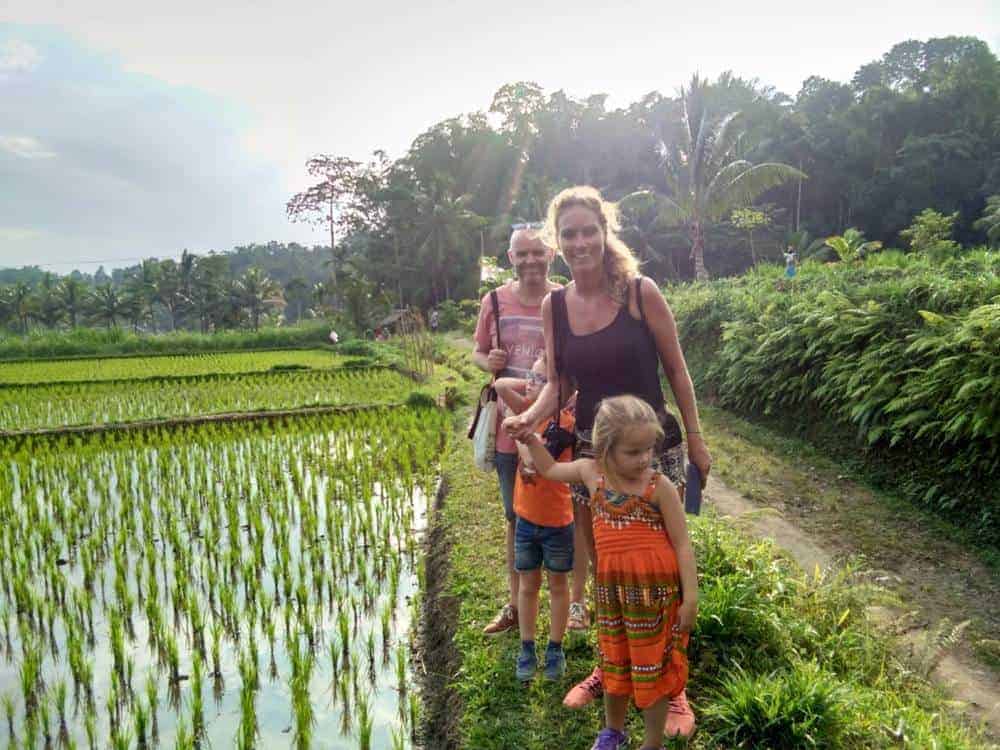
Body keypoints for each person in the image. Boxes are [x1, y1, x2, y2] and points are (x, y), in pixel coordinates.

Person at [504, 185, 710, 734]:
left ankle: (673, 684)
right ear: (557, 242)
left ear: (604, 231)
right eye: (567, 234)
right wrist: (533, 421)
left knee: (660, 568)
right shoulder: (555, 305)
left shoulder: (640, 293)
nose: (578, 242)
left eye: (587, 230)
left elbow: (678, 371)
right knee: (604, 568)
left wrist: (694, 439)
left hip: (652, 454)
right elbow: (560, 383)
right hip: (594, 454)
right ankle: (608, 666)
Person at [518, 395, 697, 749]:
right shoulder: (590, 473)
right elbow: (551, 470)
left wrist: (690, 597)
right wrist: (530, 439)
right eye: (633, 451)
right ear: (604, 448)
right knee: (614, 663)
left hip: (654, 599)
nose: (645, 458)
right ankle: (613, 732)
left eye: (649, 449)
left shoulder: (658, 487)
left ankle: (651, 742)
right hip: (613, 596)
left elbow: (682, 544)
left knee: (653, 669)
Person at [473, 224, 562, 636]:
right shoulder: (494, 301)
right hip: (511, 432)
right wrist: (486, 362)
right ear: (510, 258)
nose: (530, 260)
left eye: (537, 252)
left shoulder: (565, 299)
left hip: (560, 428)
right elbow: (476, 353)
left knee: (567, 513)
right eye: (521, 254)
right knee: (516, 517)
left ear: (551, 254)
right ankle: (515, 605)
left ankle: (570, 605)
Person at [495, 352, 575, 681]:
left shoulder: (565, 426)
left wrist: (528, 447)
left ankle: (554, 648)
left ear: (561, 390)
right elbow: (500, 383)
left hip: (558, 522)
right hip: (526, 520)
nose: (532, 383)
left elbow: (543, 463)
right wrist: (533, 383)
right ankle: (527, 647)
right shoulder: (524, 416)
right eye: (531, 376)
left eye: (542, 380)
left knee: (558, 585)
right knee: (528, 584)